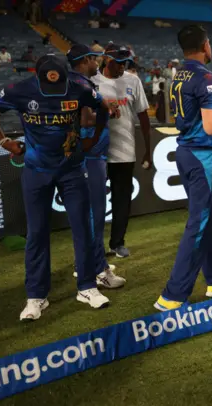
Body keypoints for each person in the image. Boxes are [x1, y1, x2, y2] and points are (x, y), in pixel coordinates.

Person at [0, 54, 116, 320]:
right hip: (36, 171)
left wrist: (92, 139)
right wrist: (4, 142)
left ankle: (87, 287)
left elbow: (104, 107)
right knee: (36, 233)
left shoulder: (79, 87)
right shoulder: (19, 89)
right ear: (37, 77)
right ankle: (36, 296)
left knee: (82, 229)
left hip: (72, 170)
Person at [154, 24, 212, 311]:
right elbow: (211, 125)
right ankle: (173, 295)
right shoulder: (206, 77)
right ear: (205, 46)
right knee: (200, 223)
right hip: (203, 155)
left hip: (186, 152)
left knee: (204, 221)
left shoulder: (178, 75)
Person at [67, 44, 126, 289]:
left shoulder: (73, 82)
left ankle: (90, 263)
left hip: (90, 156)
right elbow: (83, 118)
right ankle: (98, 270)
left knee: (90, 216)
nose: (97, 63)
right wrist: (109, 110)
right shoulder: (80, 85)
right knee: (95, 216)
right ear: (86, 60)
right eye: (94, 59)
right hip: (90, 157)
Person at [92, 44, 152, 258]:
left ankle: (117, 243)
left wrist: (148, 149)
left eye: (125, 63)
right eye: (119, 63)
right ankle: (94, 247)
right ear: (107, 60)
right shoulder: (92, 81)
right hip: (97, 151)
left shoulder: (132, 80)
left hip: (125, 151)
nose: (122, 67)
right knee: (95, 202)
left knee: (122, 200)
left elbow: (143, 117)